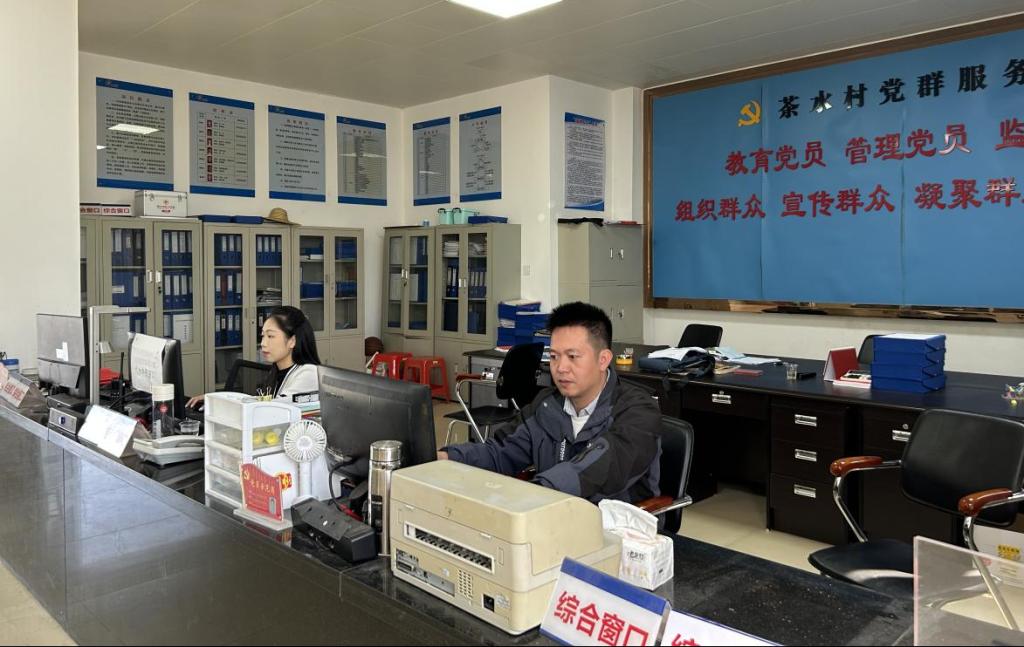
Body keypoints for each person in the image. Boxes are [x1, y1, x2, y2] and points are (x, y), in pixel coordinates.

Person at [438, 302, 661, 504]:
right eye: (554, 356)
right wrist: (447, 457)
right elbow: (500, 452)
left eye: (572, 356)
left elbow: (597, 470)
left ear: (603, 360)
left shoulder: (637, 411)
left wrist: (539, 492)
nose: (561, 368)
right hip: (550, 516)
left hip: (615, 528)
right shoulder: (546, 406)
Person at [186, 306, 321, 409]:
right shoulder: (276, 371)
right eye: (263, 336)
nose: (263, 343)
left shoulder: (308, 373)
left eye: (271, 336)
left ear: (292, 341)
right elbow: (257, 401)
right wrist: (214, 399)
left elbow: (271, 410)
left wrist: (220, 404)